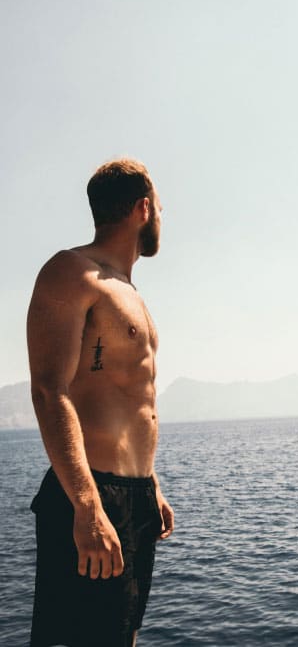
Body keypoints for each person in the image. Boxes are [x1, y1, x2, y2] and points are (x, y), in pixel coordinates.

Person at [27, 159, 174, 647]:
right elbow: (50, 390)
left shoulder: (129, 291)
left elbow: (131, 397)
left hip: (133, 497)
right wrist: (87, 505)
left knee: (121, 636)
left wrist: (149, 482)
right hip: (90, 493)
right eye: (157, 210)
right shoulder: (73, 272)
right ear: (143, 209)